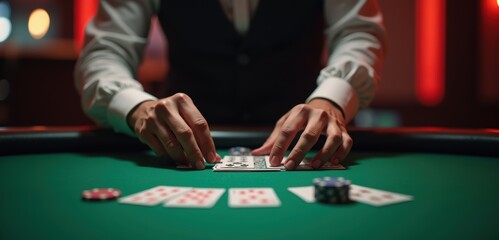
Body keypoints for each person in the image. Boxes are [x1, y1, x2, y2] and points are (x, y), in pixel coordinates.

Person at [74, 0, 385, 170]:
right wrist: (137, 108)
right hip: (184, 153)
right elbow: (104, 52)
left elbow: (358, 34)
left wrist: (329, 101)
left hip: (306, 150)